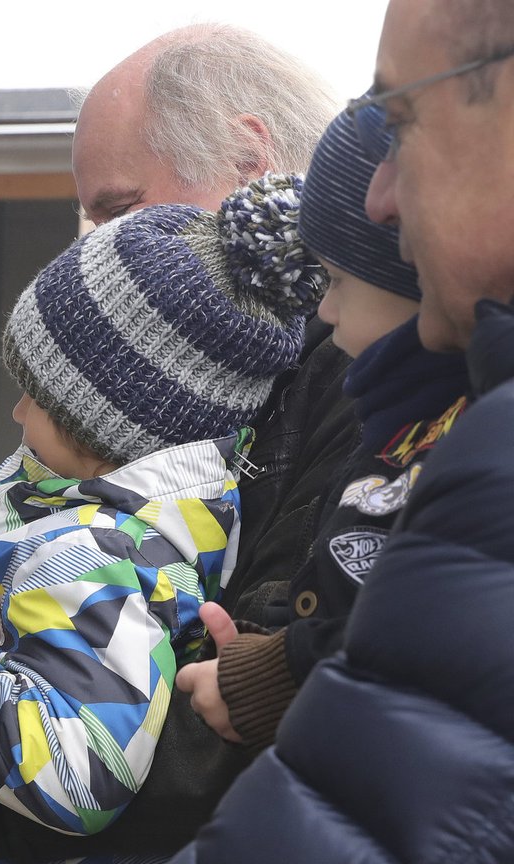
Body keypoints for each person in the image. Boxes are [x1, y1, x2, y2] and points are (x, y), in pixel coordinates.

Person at [0, 175, 329, 864]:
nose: (18, 415)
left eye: (38, 400)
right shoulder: (155, 517)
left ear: (106, 428)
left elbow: (80, 777)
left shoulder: (84, 554)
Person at [171, 0, 514, 860]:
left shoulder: (446, 444)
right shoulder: (434, 426)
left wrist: (271, 669)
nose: (383, 199)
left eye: (401, 122)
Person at [174, 105, 471, 749]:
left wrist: (276, 673)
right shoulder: (401, 418)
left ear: (409, 276)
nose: (325, 309)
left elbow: (423, 625)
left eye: (336, 280)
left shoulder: (448, 439)